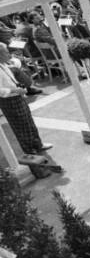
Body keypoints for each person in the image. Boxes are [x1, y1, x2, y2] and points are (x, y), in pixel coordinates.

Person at [0, 44, 57, 176]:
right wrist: (15, 90)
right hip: (10, 101)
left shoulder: (4, 64)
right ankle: (35, 162)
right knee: (22, 129)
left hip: (17, 97)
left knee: (29, 122)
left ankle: (38, 145)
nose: (9, 54)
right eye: (6, 52)